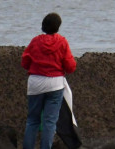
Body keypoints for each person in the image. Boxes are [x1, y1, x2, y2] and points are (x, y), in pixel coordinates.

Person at [22, 12, 77, 149]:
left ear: (43, 26)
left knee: (32, 120)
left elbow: (25, 62)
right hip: (55, 83)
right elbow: (70, 67)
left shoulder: (35, 41)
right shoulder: (62, 42)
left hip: (35, 82)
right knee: (50, 121)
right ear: (58, 27)